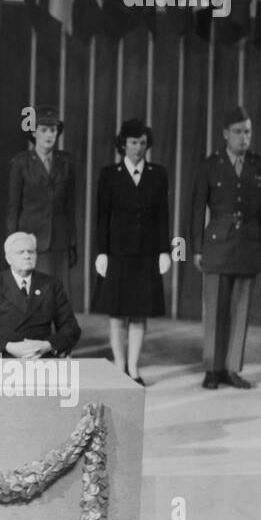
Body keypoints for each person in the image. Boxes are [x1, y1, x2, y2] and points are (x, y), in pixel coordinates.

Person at [190, 106, 261, 390]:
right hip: (217, 243)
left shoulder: (260, 166)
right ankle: (212, 368)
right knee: (215, 309)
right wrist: (197, 248)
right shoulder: (210, 165)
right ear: (225, 134)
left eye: (247, 132)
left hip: (249, 243)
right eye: (237, 132)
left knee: (241, 308)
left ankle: (232, 368)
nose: (243, 138)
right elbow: (198, 207)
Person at [93, 118, 170, 386]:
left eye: (142, 142)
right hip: (118, 253)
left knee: (139, 313)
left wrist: (165, 251)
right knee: (117, 314)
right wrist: (101, 252)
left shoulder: (158, 174)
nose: (138, 148)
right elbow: (102, 217)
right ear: (123, 144)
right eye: (133, 142)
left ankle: (134, 369)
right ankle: (119, 366)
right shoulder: (108, 174)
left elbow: (163, 216)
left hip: (147, 254)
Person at [0, 232, 81, 357]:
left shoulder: (51, 284)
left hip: (41, 358)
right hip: (4, 358)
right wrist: (8, 346)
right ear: (8, 258)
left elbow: (71, 327)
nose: (27, 256)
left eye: (31, 252)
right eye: (21, 252)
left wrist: (47, 345)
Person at [6, 105, 76, 289]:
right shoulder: (21, 163)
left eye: (52, 130)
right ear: (34, 133)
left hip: (59, 241)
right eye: (43, 130)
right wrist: (12, 244)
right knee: (34, 298)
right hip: (30, 241)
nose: (49, 135)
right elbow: (13, 207)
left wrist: (72, 243)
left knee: (59, 298)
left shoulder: (66, 162)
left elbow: (70, 207)